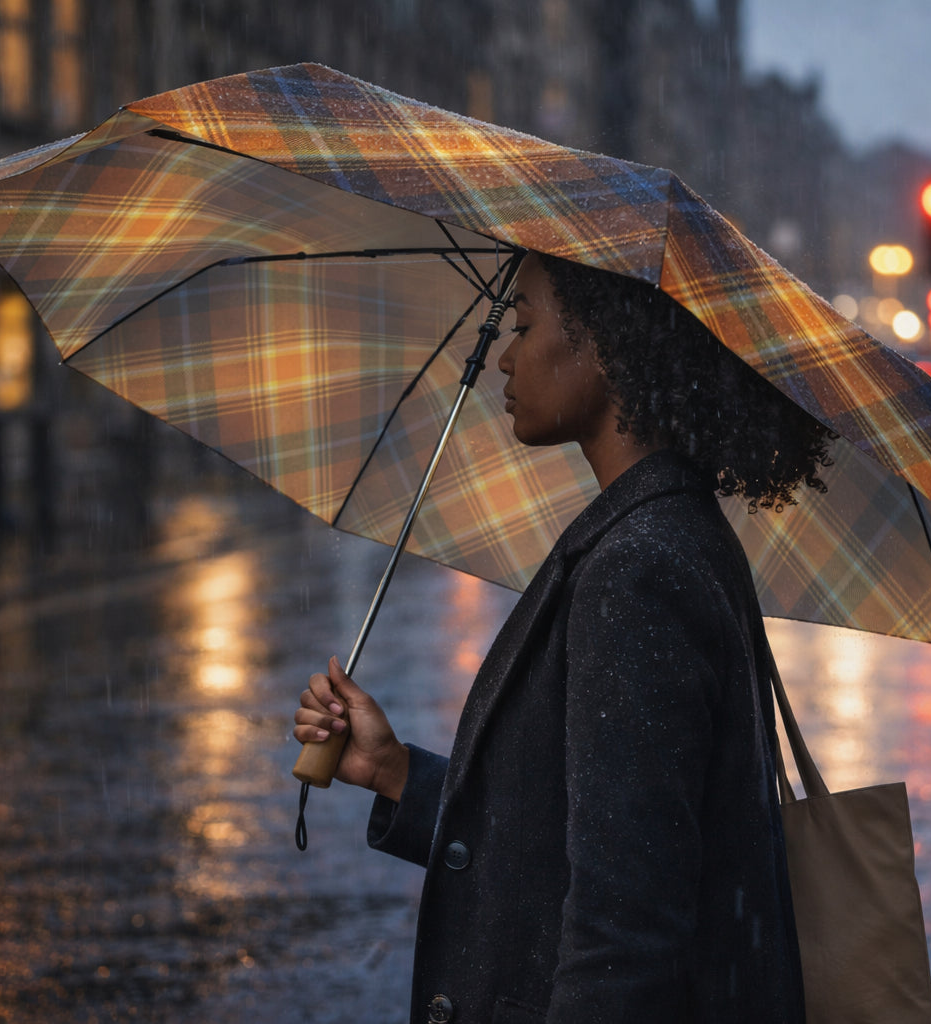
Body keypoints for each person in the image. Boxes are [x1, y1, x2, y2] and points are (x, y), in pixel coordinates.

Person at [293, 251, 832, 1023]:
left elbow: (626, 929)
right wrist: (396, 772)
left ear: (607, 346)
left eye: (523, 324)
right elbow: (577, 841)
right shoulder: (665, 531)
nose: (504, 356)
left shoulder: (637, 567)